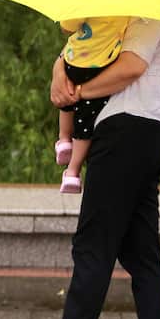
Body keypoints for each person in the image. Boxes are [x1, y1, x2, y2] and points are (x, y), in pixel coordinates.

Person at [36, 13, 160, 319]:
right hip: (141, 126)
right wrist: (61, 68)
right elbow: (88, 45)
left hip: (130, 126)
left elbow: (131, 65)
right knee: (140, 250)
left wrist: (77, 92)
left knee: (93, 245)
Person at [53, 16, 127, 194]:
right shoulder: (125, 9)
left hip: (73, 60)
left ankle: (63, 140)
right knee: (86, 121)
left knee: (67, 99)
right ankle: (72, 171)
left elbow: (67, 26)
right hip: (100, 67)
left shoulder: (86, 0)